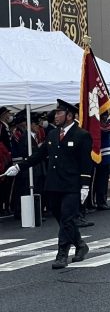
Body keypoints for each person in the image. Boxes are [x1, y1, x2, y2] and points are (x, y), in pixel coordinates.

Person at [4, 100, 93, 269]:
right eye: (56, 112)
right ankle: (80, 244)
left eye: (60, 113)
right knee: (62, 219)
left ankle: (62, 254)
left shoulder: (81, 135)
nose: (56, 116)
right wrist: (18, 167)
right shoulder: (52, 135)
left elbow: (86, 162)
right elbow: (38, 155)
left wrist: (85, 185)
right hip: (53, 184)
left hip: (72, 185)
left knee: (67, 218)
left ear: (69, 115)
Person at [92, 112, 110, 211]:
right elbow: (106, 129)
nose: (106, 117)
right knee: (99, 181)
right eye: (104, 115)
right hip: (99, 155)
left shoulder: (105, 123)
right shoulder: (98, 124)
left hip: (106, 155)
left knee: (103, 180)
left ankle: (102, 200)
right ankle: (99, 201)